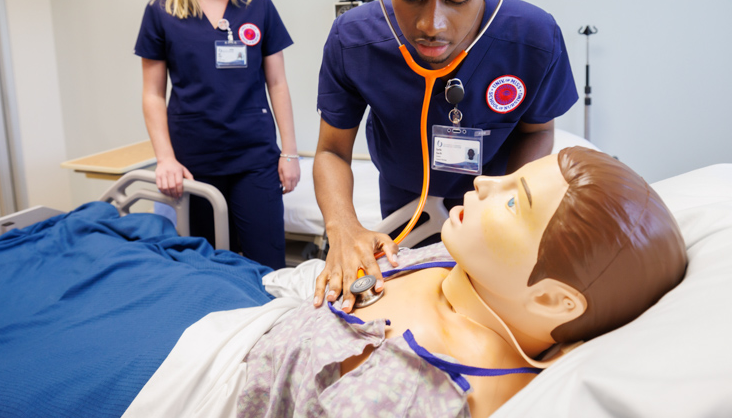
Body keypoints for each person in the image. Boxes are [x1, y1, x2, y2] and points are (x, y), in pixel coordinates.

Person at [235, 147, 687, 418]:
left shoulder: (412, 393)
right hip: (255, 307)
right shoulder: (481, 269)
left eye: (515, 203)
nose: (486, 181)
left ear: (552, 299)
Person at [314, 0, 579, 308]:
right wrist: (342, 228)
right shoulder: (354, 40)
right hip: (404, 195)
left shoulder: (533, 38)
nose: (430, 25)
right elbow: (331, 152)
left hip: (493, 192)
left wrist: (508, 207)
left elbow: (536, 131)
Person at [135, 0, 299, 269]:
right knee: (204, 267)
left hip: (254, 157)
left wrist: (289, 152)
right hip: (192, 162)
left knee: (266, 265)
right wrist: (165, 159)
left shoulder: (258, 6)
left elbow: (278, 83)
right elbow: (152, 94)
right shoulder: (162, 11)